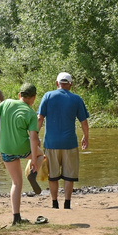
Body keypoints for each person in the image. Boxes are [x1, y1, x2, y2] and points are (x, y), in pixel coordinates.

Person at [0, 83, 43, 225]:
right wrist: (34, 161)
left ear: (19, 95)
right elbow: (34, 138)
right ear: (34, 98)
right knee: (41, 154)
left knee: (16, 183)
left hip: (5, 149)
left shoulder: (6, 103)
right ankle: (32, 173)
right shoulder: (31, 113)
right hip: (23, 148)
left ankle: (16, 218)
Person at [37, 72, 90, 210]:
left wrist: (35, 136)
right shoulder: (76, 99)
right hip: (70, 143)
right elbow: (84, 122)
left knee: (52, 176)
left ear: (57, 83)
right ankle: (67, 204)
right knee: (69, 176)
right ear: (70, 85)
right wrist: (86, 136)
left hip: (51, 143)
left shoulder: (48, 96)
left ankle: (54, 204)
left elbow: (39, 118)